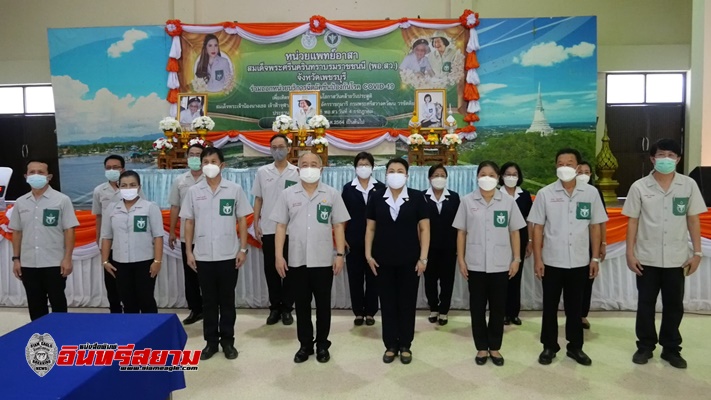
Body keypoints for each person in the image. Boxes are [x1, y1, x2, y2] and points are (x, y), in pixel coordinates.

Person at [623, 139, 705, 369]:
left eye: (671, 155)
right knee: (646, 304)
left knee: (674, 305)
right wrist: (630, 253)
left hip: (677, 258)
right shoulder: (639, 187)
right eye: (661, 155)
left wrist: (697, 252)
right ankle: (645, 346)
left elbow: (693, 219)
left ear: (678, 159)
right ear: (652, 158)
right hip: (646, 257)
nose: (666, 159)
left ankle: (671, 348)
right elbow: (633, 222)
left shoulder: (688, 185)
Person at [528, 148, 607, 366]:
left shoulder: (590, 193)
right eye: (560, 163)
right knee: (550, 306)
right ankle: (549, 346)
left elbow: (595, 227)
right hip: (552, 260)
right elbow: (537, 228)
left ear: (578, 167)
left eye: (569, 163)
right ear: (556, 167)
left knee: (575, 307)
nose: (565, 167)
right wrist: (538, 259)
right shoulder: (546, 193)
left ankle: (575, 347)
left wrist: (595, 258)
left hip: (580, 261)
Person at [271, 152, 350, 364]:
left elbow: (338, 226)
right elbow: (280, 226)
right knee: (302, 306)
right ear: (297, 170)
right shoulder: (288, 194)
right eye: (304, 164)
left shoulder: (331, 194)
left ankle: (322, 344)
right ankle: (305, 345)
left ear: (321, 168)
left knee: (323, 305)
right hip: (297, 260)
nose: (309, 167)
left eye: (313, 164)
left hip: (323, 260)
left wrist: (340, 254)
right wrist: (279, 256)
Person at [180, 147, 252, 360]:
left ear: (222, 165)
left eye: (213, 161)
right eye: (205, 162)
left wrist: (243, 249)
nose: (209, 165)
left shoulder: (234, 189)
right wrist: (189, 252)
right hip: (202, 255)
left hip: (229, 254)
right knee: (209, 302)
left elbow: (242, 220)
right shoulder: (194, 191)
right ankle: (211, 342)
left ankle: (228, 341)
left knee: (227, 301)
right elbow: (189, 222)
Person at [454, 161, 525, 366]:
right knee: (476, 308)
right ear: (477, 177)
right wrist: (461, 259)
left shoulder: (508, 202)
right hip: (475, 264)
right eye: (483, 174)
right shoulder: (467, 201)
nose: (487, 178)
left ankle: (494, 347)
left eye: (492, 174)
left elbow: (515, 232)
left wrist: (517, 259)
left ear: (498, 178)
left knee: (498, 308)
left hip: (501, 264)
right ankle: (481, 348)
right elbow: (461, 232)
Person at [365, 157, 430, 365]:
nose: (395, 174)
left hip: (410, 260)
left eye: (400, 170)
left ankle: (405, 345)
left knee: (407, 303)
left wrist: (423, 258)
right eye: (391, 170)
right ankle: (390, 344)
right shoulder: (375, 197)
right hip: (383, 259)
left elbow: (425, 229)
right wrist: (368, 254)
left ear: (407, 175)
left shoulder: (418, 197)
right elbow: (370, 228)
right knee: (388, 303)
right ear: (385, 175)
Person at [10, 160, 79, 320]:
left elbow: (69, 230)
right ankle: (40, 339)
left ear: (49, 177)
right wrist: (16, 259)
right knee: (35, 304)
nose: (36, 175)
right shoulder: (21, 202)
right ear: (26, 176)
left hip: (54, 262)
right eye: (32, 172)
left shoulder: (62, 200)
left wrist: (67, 258)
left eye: (40, 172)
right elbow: (17, 232)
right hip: (28, 263)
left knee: (58, 303)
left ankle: (60, 334)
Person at [100, 171, 163, 314]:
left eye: (132, 185)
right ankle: (133, 334)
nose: (128, 188)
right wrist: (105, 261)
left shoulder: (150, 207)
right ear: (119, 187)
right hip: (120, 263)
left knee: (146, 300)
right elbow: (106, 236)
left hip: (145, 262)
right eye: (124, 185)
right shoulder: (112, 208)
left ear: (139, 187)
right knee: (128, 302)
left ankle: (151, 333)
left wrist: (157, 261)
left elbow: (158, 236)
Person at [253, 134, 299, 326]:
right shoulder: (262, 172)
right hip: (270, 228)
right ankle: (274, 308)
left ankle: (288, 308)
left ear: (289, 149)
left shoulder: (297, 172)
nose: (278, 150)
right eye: (274, 147)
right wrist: (255, 222)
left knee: (290, 270)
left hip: (292, 229)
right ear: (270, 149)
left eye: (281, 146)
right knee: (271, 270)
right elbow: (258, 199)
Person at [92, 155, 143, 314]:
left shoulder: (132, 189)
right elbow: (99, 216)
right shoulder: (99, 190)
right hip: (109, 243)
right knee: (111, 281)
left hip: (130, 242)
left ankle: (134, 311)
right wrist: (99, 238)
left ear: (123, 168)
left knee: (132, 283)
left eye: (116, 167)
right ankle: (115, 312)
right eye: (108, 168)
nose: (112, 170)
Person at [341, 152, 385, 326]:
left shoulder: (381, 188)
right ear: (355, 168)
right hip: (353, 239)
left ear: (372, 167)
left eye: (367, 164)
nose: (363, 168)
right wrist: (342, 238)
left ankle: (371, 312)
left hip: (376, 241)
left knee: (373, 276)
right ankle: (358, 311)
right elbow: (342, 215)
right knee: (355, 277)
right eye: (360, 165)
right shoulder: (348, 188)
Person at [168, 143, 205, 325]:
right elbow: (175, 206)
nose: (195, 157)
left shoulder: (211, 178)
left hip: (207, 235)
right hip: (187, 236)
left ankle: (210, 308)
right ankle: (195, 309)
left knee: (207, 274)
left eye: (199, 154)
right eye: (192, 154)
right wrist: (173, 231)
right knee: (190, 275)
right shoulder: (180, 181)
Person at [422, 163, 460, 326]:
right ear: (430, 178)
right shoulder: (422, 197)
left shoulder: (454, 197)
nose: (439, 178)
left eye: (442, 175)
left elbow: (459, 224)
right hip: (428, 247)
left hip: (449, 247)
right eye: (436, 175)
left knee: (447, 280)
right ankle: (433, 308)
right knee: (429, 279)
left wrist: (459, 248)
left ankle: (444, 310)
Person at [499, 162, 534, 326]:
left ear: (519, 177)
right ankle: (503, 312)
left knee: (516, 276)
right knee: (502, 278)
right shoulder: (496, 193)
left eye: (514, 174)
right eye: (508, 174)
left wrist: (530, 241)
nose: (511, 177)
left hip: (520, 239)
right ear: (501, 176)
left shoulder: (525, 195)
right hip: (500, 240)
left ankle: (514, 313)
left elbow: (529, 221)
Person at [576, 161, 608, 330]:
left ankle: (582, 315)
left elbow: (600, 221)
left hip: (591, 243)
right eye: (579, 171)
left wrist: (603, 243)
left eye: (586, 172)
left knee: (587, 280)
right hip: (573, 242)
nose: (583, 175)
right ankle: (571, 314)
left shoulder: (595, 193)